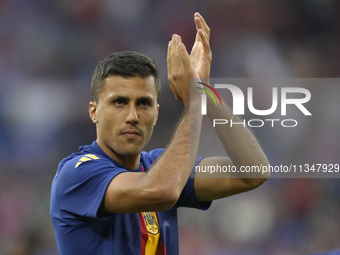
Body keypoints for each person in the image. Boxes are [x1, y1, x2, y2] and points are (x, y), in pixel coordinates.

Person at [50, 13, 270, 255]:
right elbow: (161, 190)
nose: (132, 115)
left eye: (143, 103)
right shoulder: (78, 173)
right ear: (94, 111)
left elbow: (253, 172)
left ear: (156, 112)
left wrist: (204, 91)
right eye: (119, 102)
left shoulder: (159, 165)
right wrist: (193, 103)